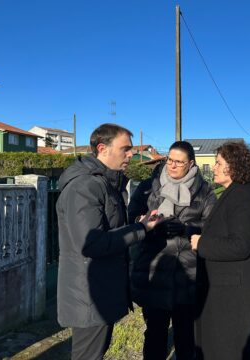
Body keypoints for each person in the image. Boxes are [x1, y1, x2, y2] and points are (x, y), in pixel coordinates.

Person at [56, 123, 161, 360]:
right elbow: (91, 243)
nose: (131, 154)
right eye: (125, 149)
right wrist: (140, 229)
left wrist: (138, 223)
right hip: (89, 296)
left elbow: (110, 229)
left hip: (101, 290)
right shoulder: (85, 186)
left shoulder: (106, 183)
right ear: (103, 148)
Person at [128, 140, 216, 360]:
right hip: (154, 270)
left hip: (188, 274)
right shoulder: (149, 186)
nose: (173, 166)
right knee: (154, 335)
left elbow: (213, 227)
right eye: (170, 160)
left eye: (179, 162)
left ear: (191, 164)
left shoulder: (205, 192)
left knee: (186, 338)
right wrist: (150, 225)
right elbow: (131, 218)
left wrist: (187, 229)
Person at [191, 141, 250, 360]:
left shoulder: (241, 196)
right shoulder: (236, 193)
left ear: (234, 167)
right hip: (230, 293)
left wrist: (200, 244)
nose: (214, 167)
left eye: (218, 163)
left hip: (234, 299)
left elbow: (240, 244)